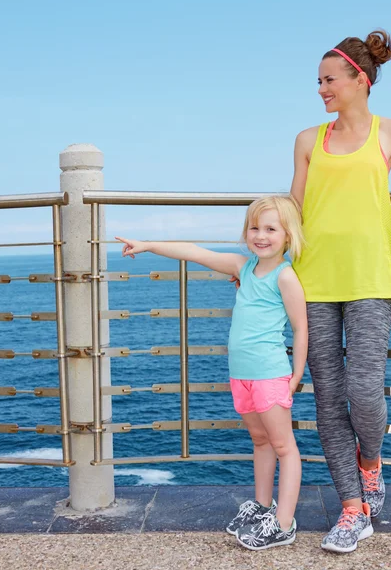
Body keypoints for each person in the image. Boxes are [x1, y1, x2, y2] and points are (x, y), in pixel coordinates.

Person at [290, 29, 391, 553]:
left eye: (328, 80)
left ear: (360, 80)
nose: (321, 89)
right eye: (318, 82)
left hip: (371, 278)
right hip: (313, 281)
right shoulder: (309, 140)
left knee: (362, 388)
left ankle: (371, 460)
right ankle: (352, 509)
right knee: (328, 400)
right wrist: (263, 262)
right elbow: (295, 209)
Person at [116, 195, 308, 551]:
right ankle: (262, 506)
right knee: (260, 441)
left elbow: (300, 328)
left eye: (271, 229)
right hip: (241, 374)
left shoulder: (285, 277)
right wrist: (147, 245)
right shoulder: (242, 267)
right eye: (255, 227)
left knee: (284, 446)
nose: (261, 236)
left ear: (287, 235)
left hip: (269, 373)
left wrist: (296, 374)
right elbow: (193, 251)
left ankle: (284, 523)